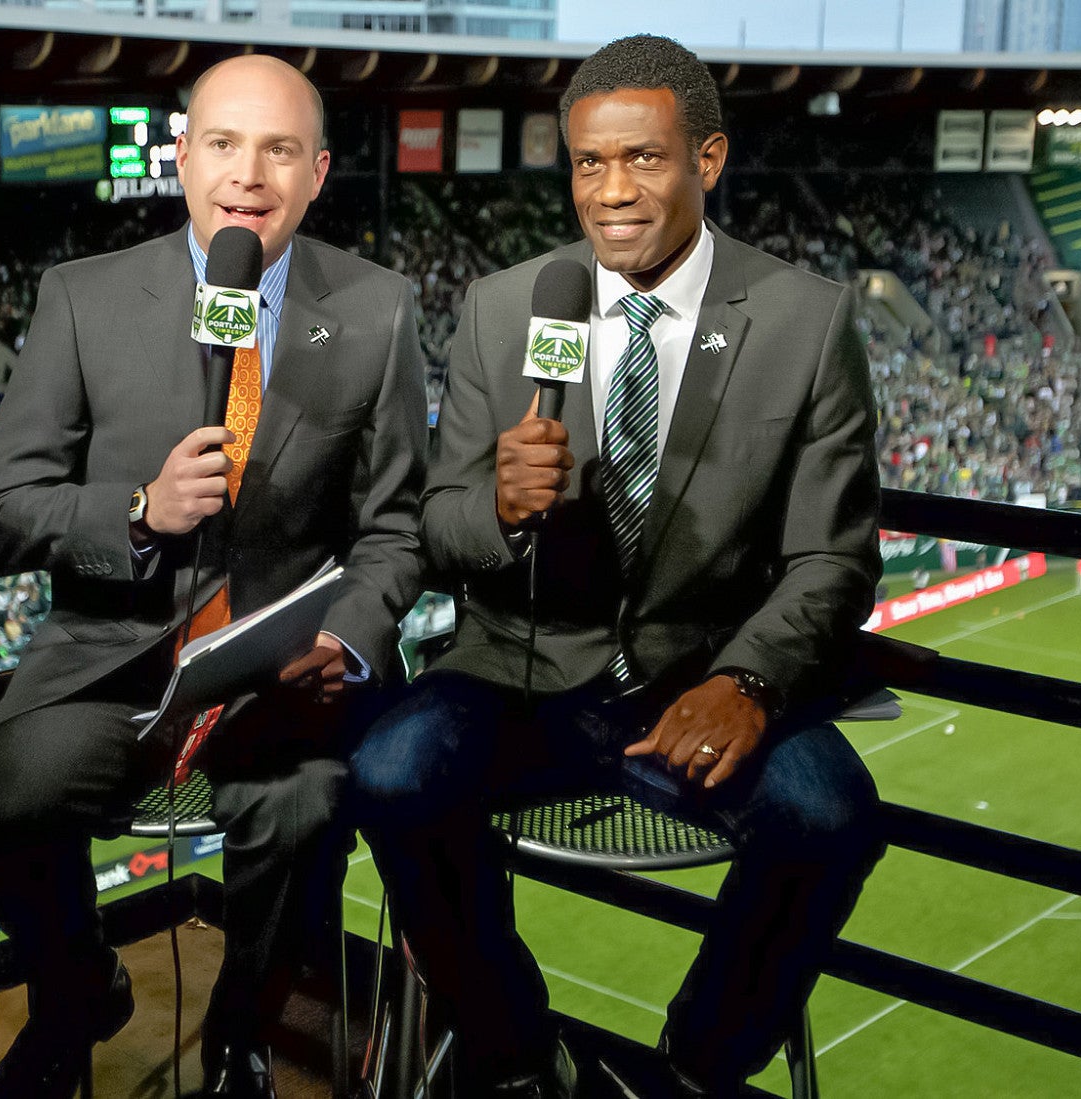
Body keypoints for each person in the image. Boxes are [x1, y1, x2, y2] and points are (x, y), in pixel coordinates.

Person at [352, 34, 885, 1098]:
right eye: (590, 163)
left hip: (703, 683)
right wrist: (499, 505)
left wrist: (750, 679)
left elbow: (834, 556)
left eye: (643, 158)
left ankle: (693, 1067)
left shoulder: (807, 318)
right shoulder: (506, 307)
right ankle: (513, 1051)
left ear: (709, 161)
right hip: (518, 674)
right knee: (390, 772)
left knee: (832, 816)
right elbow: (439, 527)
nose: (612, 192)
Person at [0, 54, 427, 1099]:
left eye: (278, 149)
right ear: (182, 156)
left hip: (278, 669)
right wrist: (139, 510)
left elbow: (395, 526)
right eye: (222, 142)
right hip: (112, 661)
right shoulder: (81, 299)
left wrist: (344, 639)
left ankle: (242, 1030)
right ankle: (80, 992)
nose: (247, 173)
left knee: (307, 806)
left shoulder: (380, 309)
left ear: (318, 172)